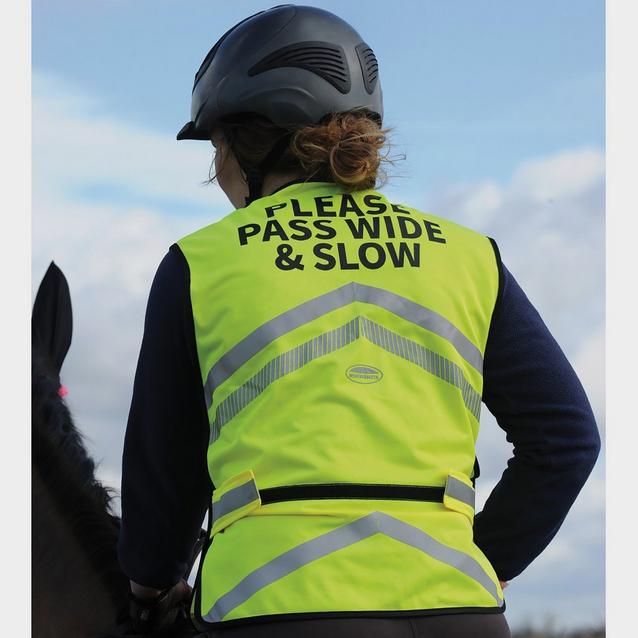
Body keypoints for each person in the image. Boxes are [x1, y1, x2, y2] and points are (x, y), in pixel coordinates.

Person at [117, 5, 601, 638]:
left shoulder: (201, 262)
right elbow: (566, 439)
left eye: (216, 146)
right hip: (457, 615)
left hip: (273, 612)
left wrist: (150, 591)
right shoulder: (468, 255)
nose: (219, 172)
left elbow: (165, 469)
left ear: (251, 141)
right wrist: (480, 562)